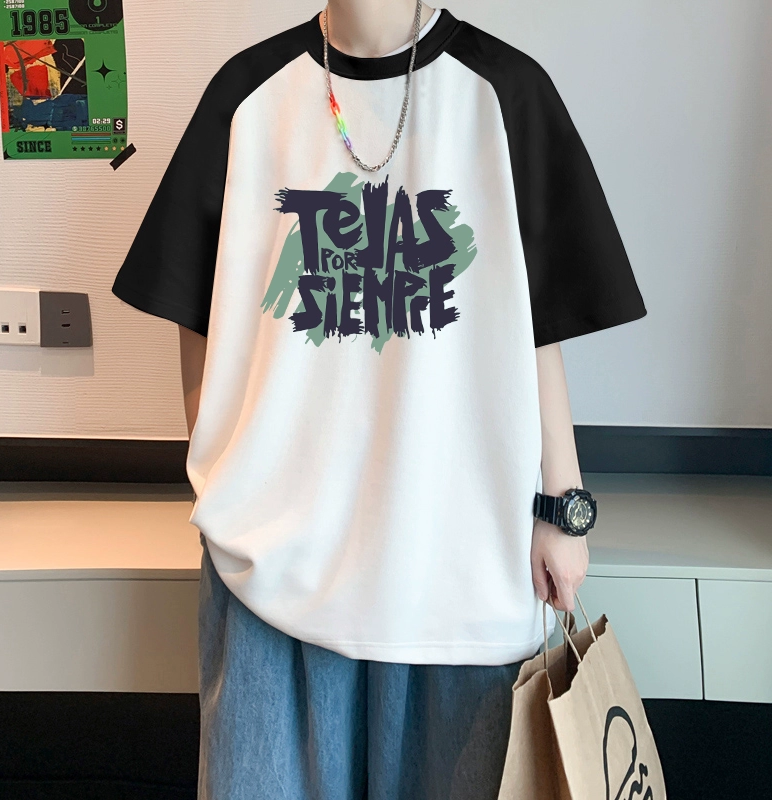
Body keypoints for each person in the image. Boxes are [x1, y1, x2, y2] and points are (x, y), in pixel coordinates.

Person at [112, 2, 647, 797]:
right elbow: (194, 306)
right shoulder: (249, 95)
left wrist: (562, 507)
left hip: (462, 566)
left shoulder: (506, 93)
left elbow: (539, 325)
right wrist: (220, 472)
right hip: (273, 570)